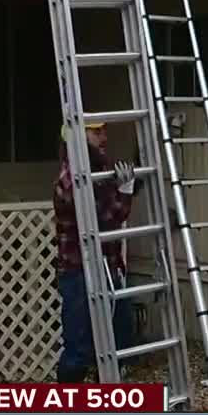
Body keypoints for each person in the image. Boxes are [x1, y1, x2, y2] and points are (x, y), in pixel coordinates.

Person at [53, 122, 140, 383]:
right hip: (79, 271)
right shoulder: (70, 180)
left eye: (103, 130)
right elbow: (102, 219)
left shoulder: (99, 168)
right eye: (95, 132)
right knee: (79, 349)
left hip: (108, 266)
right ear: (76, 138)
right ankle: (66, 406)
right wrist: (125, 193)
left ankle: (105, 404)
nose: (104, 137)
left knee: (119, 341)